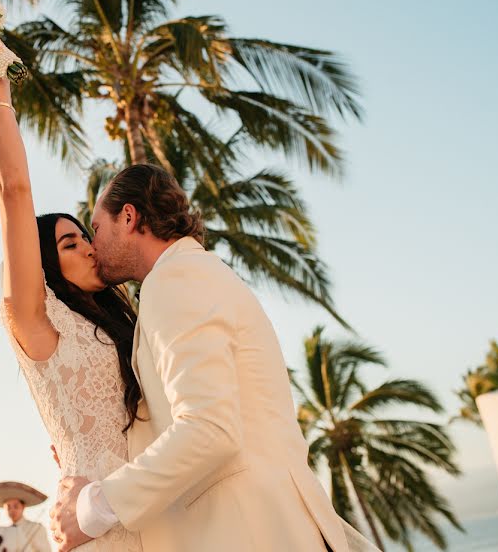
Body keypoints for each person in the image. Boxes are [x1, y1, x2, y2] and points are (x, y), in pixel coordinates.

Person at [49, 164, 381, 552]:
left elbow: (208, 428)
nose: (93, 245)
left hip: (253, 532)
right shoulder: (194, 272)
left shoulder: (175, 279)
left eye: (97, 228)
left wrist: (93, 507)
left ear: (128, 217)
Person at [0, 32, 141, 552]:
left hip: (155, 507)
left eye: (86, 235)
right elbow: (13, 193)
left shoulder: (121, 324)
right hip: (97, 526)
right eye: (69, 242)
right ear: (42, 267)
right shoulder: (37, 321)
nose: (88, 247)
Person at [0, 482, 51, 552]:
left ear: (23, 507)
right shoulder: (2, 531)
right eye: (8, 507)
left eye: (16, 506)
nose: (12, 510)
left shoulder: (36, 528)